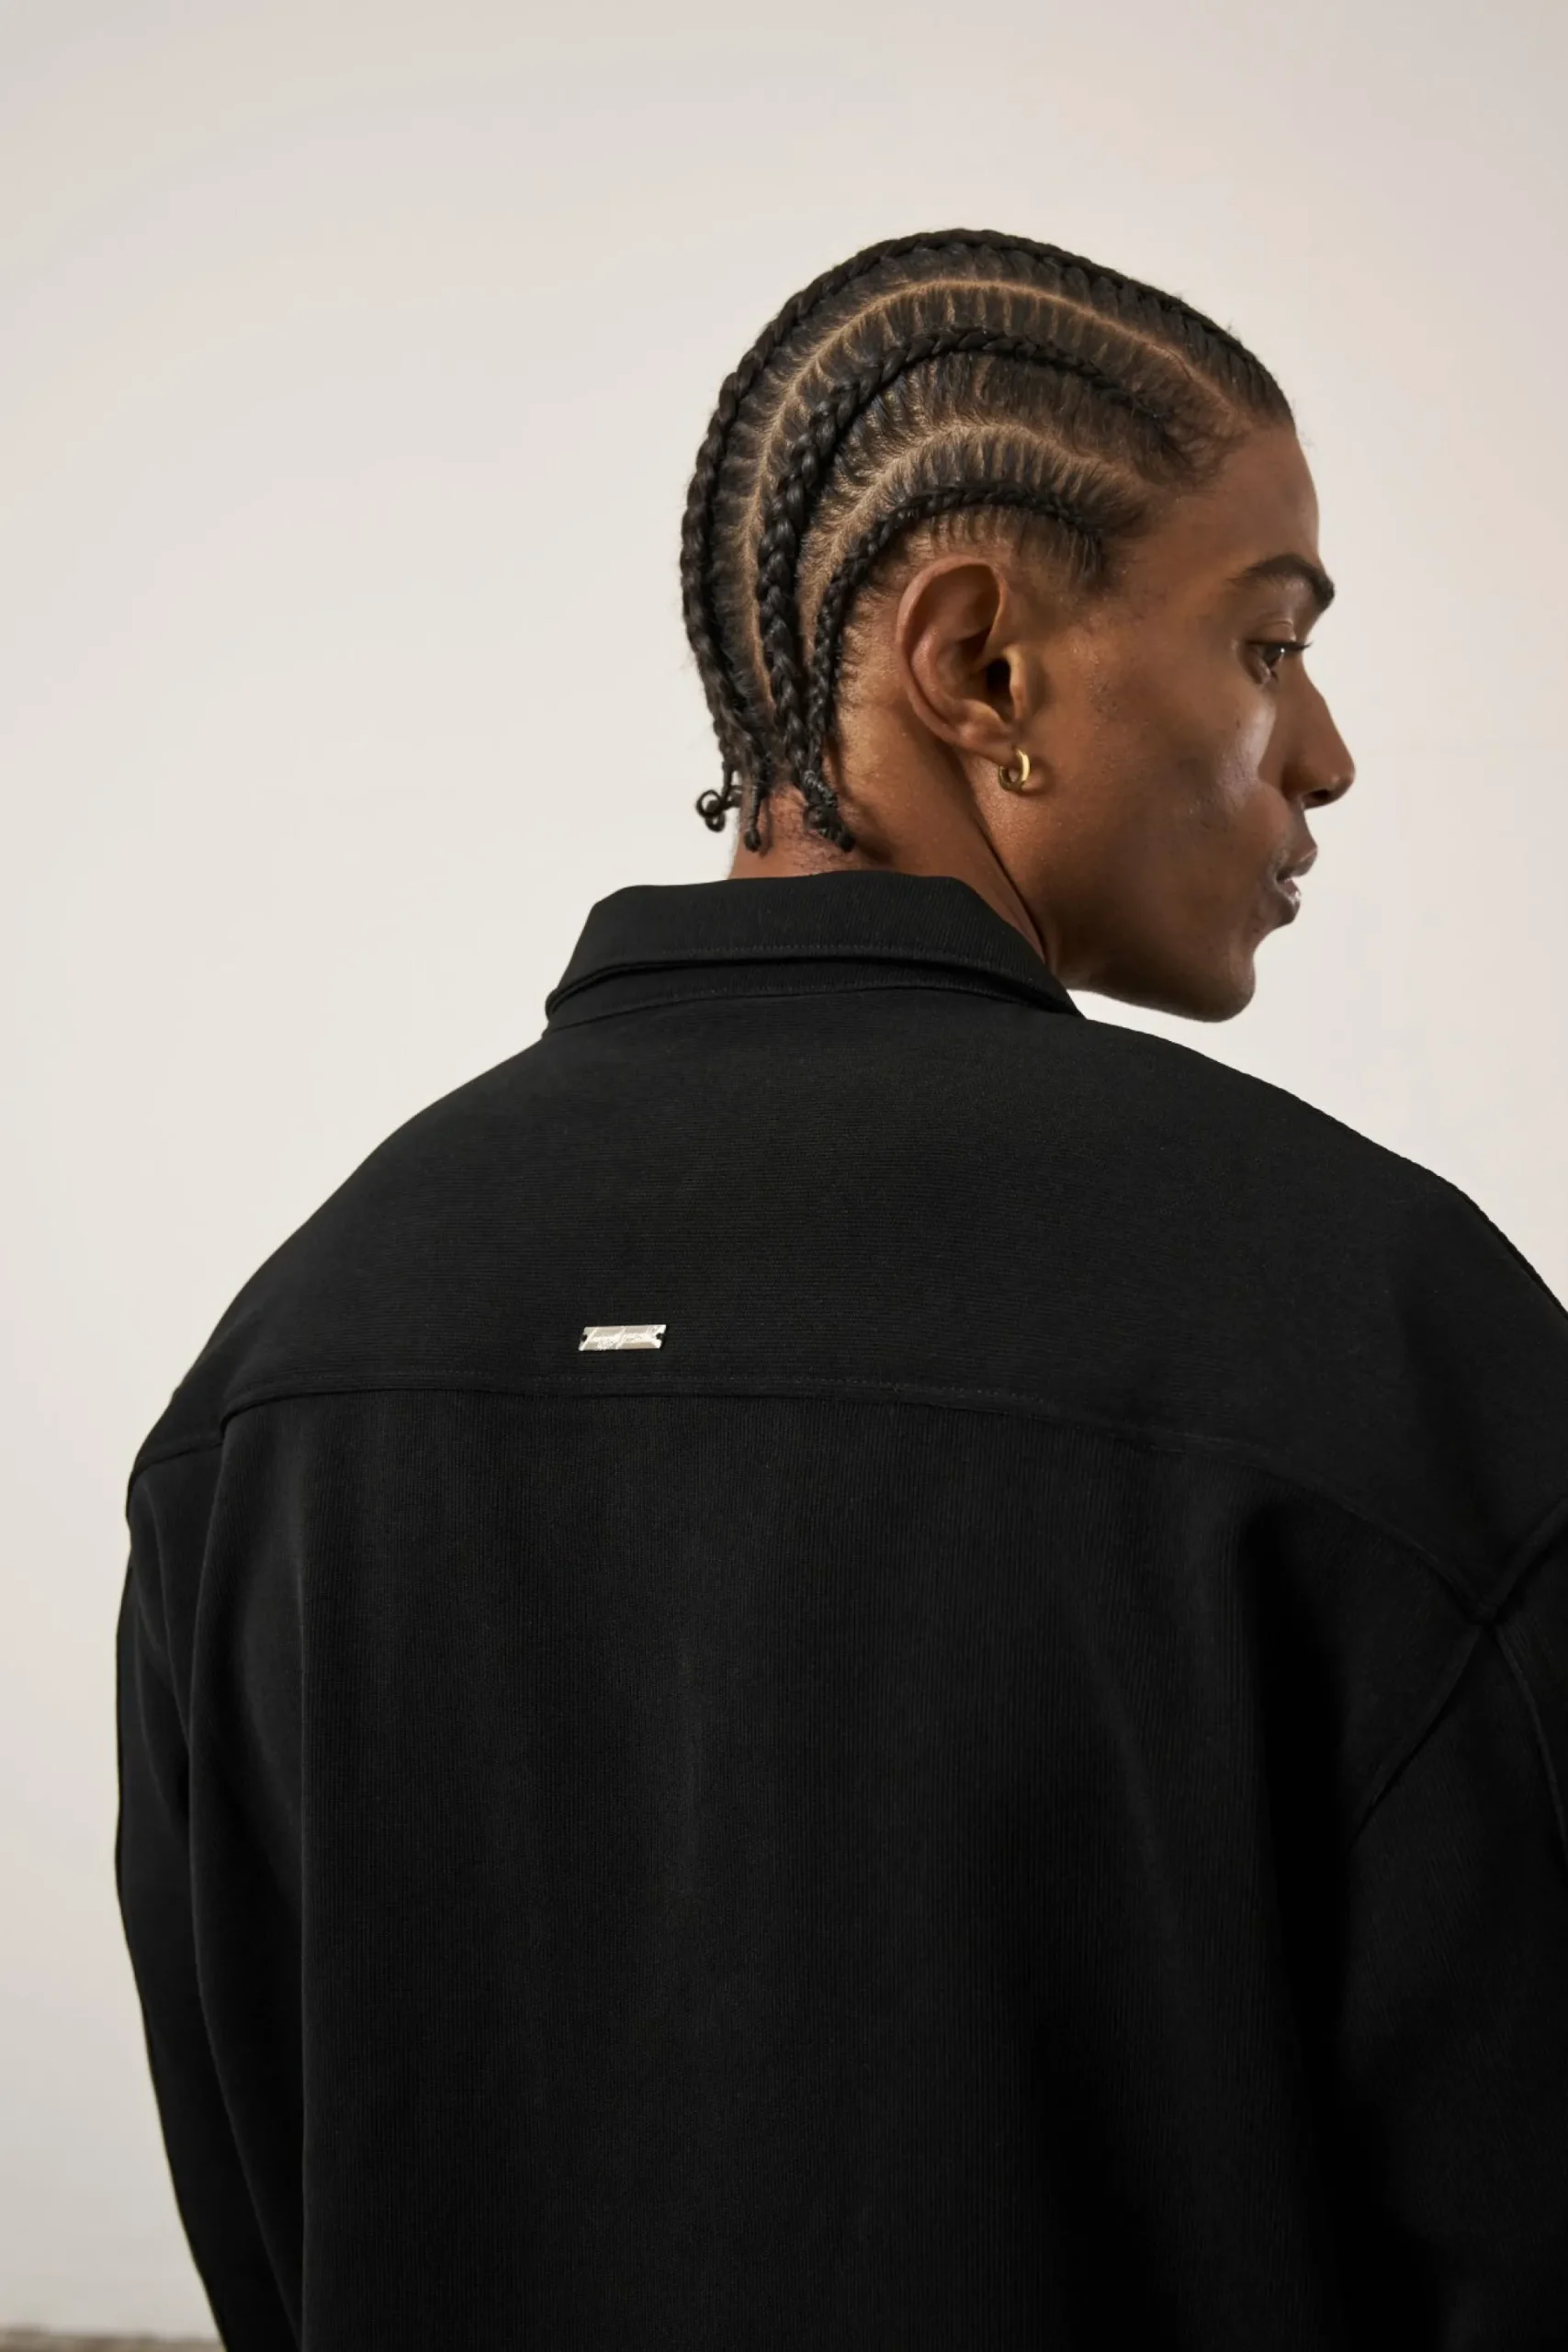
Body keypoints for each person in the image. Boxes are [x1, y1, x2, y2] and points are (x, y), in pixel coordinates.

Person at [117, 230, 1568, 2350]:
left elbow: (282, 2226)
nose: (1323, 750)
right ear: (979, 666)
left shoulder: (282, 1371)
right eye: (1269, 644)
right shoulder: (1386, 1336)